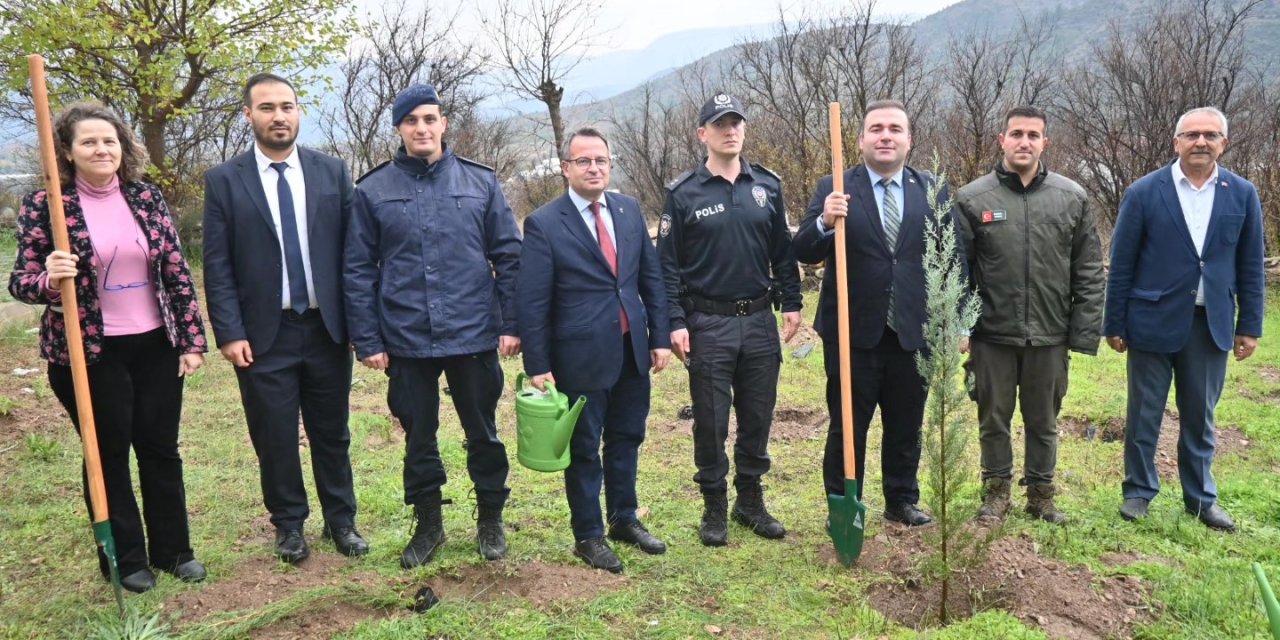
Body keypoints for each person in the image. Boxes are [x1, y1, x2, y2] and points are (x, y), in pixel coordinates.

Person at [8, 102, 207, 593]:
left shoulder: (146, 198)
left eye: (109, 140)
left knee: (160, 448)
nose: (101, 149)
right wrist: (51, 281)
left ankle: (175, 551)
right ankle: (125, 560)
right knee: (107, 453)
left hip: (155, 344)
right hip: (89, 351)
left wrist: (191, 339)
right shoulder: (48, 204)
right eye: (89, 142)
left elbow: (176, 272)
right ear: (68, 152)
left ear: (123, 147)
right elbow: (21, 282)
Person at [345, 83, 521, 568]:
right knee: (418, 437)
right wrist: (369, 338)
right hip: (406, 336)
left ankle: (490, 519)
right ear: (399, 128)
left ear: (443, 124)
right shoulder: (373, 190)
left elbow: (508, 256)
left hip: (473, 332)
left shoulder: (480, 183)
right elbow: (358, 269)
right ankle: (428, 525)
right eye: (411, 121)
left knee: (483, 431)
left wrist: (511, 323)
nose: (421, 128)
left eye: (429, 119)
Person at [203, 73, 366, 563]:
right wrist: (229, 332)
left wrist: (360, 324)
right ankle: (289, 525)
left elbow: (354, 255)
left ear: (299, 113)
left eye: (288, 106)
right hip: (262, 335)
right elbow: (218, 264)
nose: (279, 116)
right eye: (268, 107)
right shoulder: (224, 181)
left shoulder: (332, 172)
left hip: (326, 330)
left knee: (332, 432)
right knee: (274, 434)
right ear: (249, 115)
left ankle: (343, 521)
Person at [793, 99, 964, 527]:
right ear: (861, 139)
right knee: (848, 425)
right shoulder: (834, 186)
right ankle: (842, 505)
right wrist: (825, 223)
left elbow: (952, 257)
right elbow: (802, 249)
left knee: (907, 423)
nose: (885, 136)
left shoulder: (932, 189)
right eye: (876, 129)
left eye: (894, 129)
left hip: (912, 328)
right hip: (852, 331)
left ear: (909, 139)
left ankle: (901, 500)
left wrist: (955, 320)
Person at [517, 127, 672, 573]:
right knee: (584, 447)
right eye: (583, 161)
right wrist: (538, 364)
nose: (593, 168)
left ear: (610, 164)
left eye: (600, 160)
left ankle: (625, 517)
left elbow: (651, 281)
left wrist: (659, 337)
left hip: (631, 350)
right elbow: (532, 300)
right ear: (566, 168)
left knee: (627, 437)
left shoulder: (628, 210)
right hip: (579, 357)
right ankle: (589, 534)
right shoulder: (545, 222)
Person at [1105, 106, 1264, 532]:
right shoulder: (1144, 192)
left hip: (1209, 325)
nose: (1200, 142)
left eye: (1210, 135)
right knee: (1144, 414)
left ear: (1223, 143)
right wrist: (1114, 323)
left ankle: (1200, 499)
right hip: (1151, 321)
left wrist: (1250, 325)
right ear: (1176, 142)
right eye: (1192, 135)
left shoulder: (1242, 194)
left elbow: (1250, 265)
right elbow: (1121, 262)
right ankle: (1138, 492)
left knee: (1200, 416)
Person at [657, 93, 802, 546]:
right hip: (708, 323)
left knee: (757, 416)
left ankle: (750, 501)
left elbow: (782, 251)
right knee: (712, 420)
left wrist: (792, 302)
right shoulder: (683, 194)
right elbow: (667, 267)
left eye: (736, 122)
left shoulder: (768, 187)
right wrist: (674, 321)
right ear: (703, 133)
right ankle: (714, 506)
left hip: (759, 319)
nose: (730, 130)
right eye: (720, 124)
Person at [954, 105, 1105, 525]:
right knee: (993, 419)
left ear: (1045, 143)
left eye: (1033, 135)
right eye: (1016, 134)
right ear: (1001, 140)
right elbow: (958, 270)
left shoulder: (1071, 197)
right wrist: (960, 327)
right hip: (992, 335)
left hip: (1050, 335)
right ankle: (995, 495)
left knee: (1043, 421)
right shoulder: (972, 198)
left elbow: (1089, 270)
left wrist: (1082, 334)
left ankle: (1041, 497)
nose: (1024, 142)